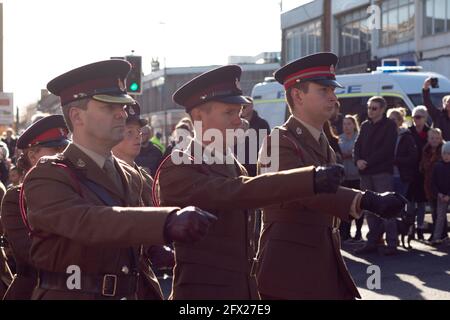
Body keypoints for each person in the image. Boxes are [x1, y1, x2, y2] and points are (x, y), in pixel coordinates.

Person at [155, 64, 358, 300]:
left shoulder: (233, 165)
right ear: (199, 115)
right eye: (228, 113)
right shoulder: (179, 166)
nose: (239, 121)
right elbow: (236, 192)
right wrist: (309, 178)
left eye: (239, 113)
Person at [21, 59, 216, 300]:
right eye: (108, 107)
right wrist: (165, 221)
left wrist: (155, 248)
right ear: (77, 116)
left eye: (122, 106)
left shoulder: (130, 174)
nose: (121, 114)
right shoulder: (48, 175)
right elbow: (88, 222)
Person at [256, 52, 405, 299]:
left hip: (321, 262)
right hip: (289, 269)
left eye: (332, 90)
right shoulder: (278, 142)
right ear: (297, 94)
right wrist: (367, 200)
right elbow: (305, 191)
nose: (333, 97)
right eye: (324, 90)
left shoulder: (323, 142)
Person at [0, 115, 69, 300]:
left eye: (65, 148)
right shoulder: (16, 198)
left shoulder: (75, 190)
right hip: (34, 290)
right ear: (33, 155)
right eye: (55, 149)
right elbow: (32, 255)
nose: (63, 154)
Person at [111, 103, 175, 287]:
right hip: (120, 275)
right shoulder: (106, 175)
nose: (138, 136)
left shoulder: (143, 175)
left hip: (142, 274)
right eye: (129, 132)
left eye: (139, 131)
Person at [353, 96, 399, 256]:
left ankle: (392, 243)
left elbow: (387, 149)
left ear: (382, 109)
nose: (370, 111)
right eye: (369, 107)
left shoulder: (390, 126)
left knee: (387, 208)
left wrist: (367, 162)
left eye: (374, 108)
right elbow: (357, 145)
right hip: (366, 173)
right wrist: (357, 159)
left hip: (381, 173)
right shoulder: (365, 126)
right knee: (369, 209)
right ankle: (372, 242)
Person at [407, 106, 431, 240]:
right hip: (410, 172)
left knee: (421, 203)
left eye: (419, 116)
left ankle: (420, 228)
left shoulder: (429, 133)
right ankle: (409, 229)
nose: (416, 119)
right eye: (414, 116)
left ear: (425, 118)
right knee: (409, 203)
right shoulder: (408, 132)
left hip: (423, 173)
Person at [338, 114, 363, 241]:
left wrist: (350, 155)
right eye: (344, 124)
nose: (346, 127)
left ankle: (358, 232)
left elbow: (358, 154)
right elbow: (338, 155)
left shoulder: (359, 138)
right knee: (345, 206)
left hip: (357, 177)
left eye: (349, 124)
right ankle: (345, 233)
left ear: (354, 125)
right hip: (344, 178)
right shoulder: (339, 139)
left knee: (359, 205)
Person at [387, 107, 418, 200]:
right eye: (389, 119)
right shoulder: (385, 136)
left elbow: (413, 157)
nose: (391, 122)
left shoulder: (407, 137)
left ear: (400, 121)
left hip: (401, 177)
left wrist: (396, 160)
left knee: (399, 202)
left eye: (393, 119)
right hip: (386, 176)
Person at [421, 128, 445, 242]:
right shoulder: (425, 150)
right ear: (428, 139)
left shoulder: (444, 150)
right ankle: (437, 234)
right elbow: (422, 166)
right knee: (434, 211)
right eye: (432, 138)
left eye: (437, 138)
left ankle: (440, 235)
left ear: (441, 138)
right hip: (430, 186)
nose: (434, 140)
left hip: (442, 187)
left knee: (441, 213)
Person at [239, 96, 270, 176]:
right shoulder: (236, 123)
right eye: (240, 107)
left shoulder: (262, 124)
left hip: (255, 167)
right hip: (240, 167)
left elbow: (267, 146)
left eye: (244, 106)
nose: (242, 109)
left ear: (251, 106)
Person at [430, 141, 450, 245]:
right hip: (441, 196)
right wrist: (439, 193)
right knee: (440, 217)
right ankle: (436, 237)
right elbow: (433, 182)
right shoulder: (437, 166)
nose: (446, 156)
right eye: (444, 153)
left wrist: (448, 195)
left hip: (448, 195)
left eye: (449, 153)